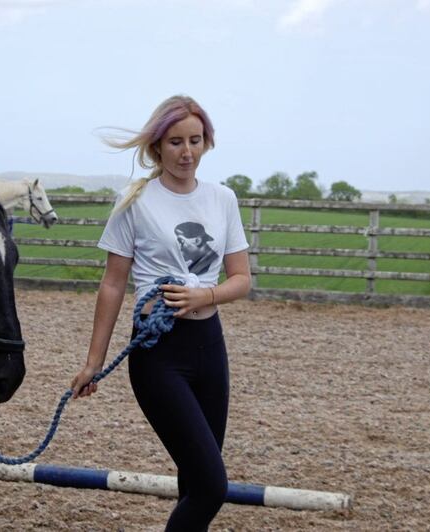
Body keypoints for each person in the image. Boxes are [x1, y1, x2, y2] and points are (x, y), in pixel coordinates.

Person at [70, 95, 252, 531]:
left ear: (206, 143)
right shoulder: (136, 201)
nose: (186, 152)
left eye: (195, 140)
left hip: (210, 349)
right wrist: (94, 362)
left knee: (195, 483)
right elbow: (113, 284)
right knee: (212, 487)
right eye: (175, 142)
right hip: (159, 356)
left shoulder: (222, 199)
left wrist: (204, 297)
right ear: (157, 147)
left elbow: (241, 278)